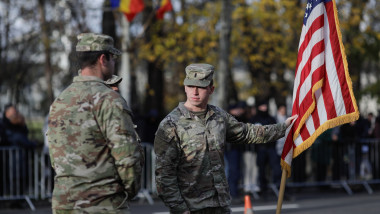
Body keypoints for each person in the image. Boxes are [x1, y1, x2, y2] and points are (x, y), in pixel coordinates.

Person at [154, 63, 296, 214]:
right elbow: (164, 175)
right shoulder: (170, 125)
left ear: (211, 89)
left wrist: (283, 127)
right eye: (190, 86)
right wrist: (180, 209)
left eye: (201, 87)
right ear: (185, 87)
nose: (194, 92)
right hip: (191, 207)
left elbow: (247, 132)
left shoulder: (218, 117)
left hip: (220, 205)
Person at [47, 33, 144, 214]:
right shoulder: (109, 100)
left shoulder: (59, 101)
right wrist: (129, 191)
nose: (114, 63)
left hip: (64, 204)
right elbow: (127, 157)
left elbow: (55, 157)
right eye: (112, 58)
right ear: (103, 59)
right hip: (103, 204)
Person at [252, 99, 281, 197]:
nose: (264, 108)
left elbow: (276, 131)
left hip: (271, 147)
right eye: (262, 106)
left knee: (276, 168)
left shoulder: (271, 118)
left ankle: (278, 187)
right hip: (261, 148)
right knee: (262, 169)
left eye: (265, 106)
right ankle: (263, 188)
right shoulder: (255, 119)